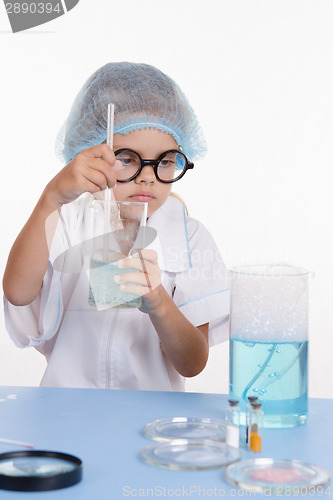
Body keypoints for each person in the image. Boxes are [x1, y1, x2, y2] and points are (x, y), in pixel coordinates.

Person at [3, 62, 230, 391]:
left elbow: (193, 363)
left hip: (146, 420)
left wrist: (159, 303)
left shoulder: (190, 238)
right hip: (68, 412)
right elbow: (17, 292)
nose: (147, 176)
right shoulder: (67, 220)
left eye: (165, 161)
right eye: (127, 158)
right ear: (92, 153)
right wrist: (50, 200)